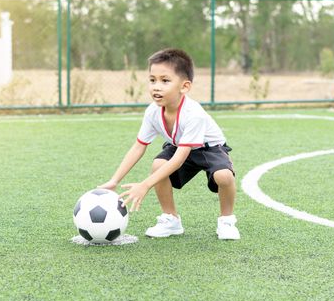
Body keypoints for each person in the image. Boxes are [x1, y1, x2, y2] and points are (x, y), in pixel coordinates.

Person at [98, 48, 240, 240]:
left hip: (209, 148)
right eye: (152, 80)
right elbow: (139, 146)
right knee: (158, 164)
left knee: (223, 176)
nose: (156, 87)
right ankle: (171, 219)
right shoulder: (153, 111)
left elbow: (180, 158)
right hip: (180, 145)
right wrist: (114, 180)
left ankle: (226, 220)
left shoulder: (194, 114)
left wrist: (145, 185)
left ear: (184, 87)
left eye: (165, 81)